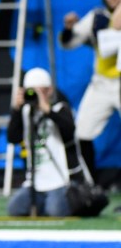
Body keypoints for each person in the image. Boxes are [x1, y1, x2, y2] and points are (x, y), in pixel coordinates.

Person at [60, 0, 121, 182]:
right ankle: (89, 185)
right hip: (102, 83)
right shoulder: (97, 17)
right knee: (82, 132)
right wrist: (69, 28)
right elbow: (70, 42)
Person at [7, 67, 85, 216]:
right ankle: (45, 202)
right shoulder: (25, 113)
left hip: (62, 180)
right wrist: (16, 110)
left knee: (54, 211)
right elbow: (13, 138)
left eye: (39, 91)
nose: (34, 95)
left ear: (49, 91)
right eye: (30, 91)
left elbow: (69, 131)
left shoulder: (60, 109)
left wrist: (47, 111)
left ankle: (59, 202)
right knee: (15, 209)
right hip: (35, 182)